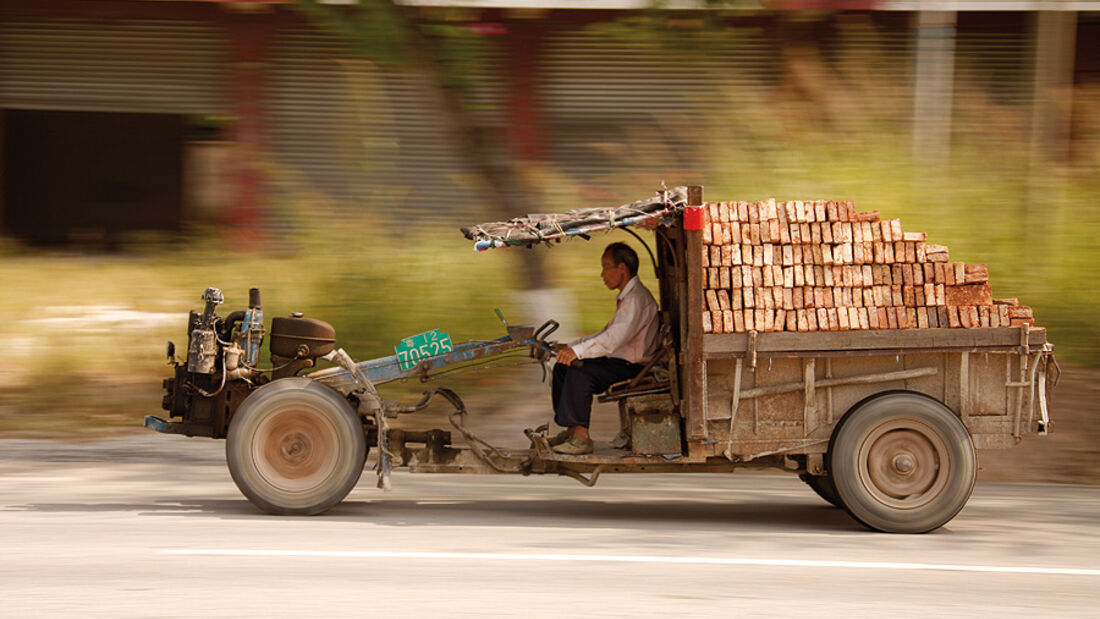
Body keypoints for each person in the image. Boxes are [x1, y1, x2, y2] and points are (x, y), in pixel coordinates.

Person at [550, 242, 659, 455]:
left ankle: (582, 438)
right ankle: (572, 431)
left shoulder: (635, 300)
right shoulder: (628, 297)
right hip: (618, 361)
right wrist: (571, 347)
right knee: (562, 368)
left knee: (580, 371)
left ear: (622, 268)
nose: (602, 274)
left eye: (606, 267)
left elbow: (611, 340)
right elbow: (605, 333)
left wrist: (577, 352)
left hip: (631, 367)